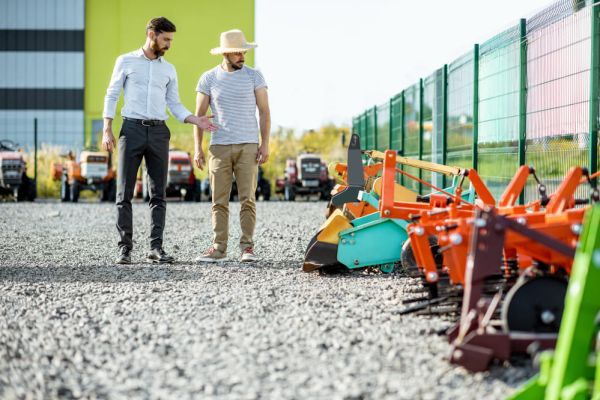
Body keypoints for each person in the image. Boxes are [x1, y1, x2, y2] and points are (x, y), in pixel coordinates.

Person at [102, 17, 217, 265]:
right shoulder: (126, 61)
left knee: (158, 194)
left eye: (171, 40)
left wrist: (194, 120)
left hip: (158, 132)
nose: (169, 44)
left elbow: (174, 104)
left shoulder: (169, 69)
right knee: (124, 192)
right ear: (152, 34)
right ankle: (125, 249)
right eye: (166, 39)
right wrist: (107, 128)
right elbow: (112, 94)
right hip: (130, 129)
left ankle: (156, 248)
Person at [193, 29, 271, 263]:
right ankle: (219, 249)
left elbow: (265, 112)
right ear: (225, 54)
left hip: (248, 145)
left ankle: (247, 248)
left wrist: (264, 144)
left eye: (243, 51)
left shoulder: (254, 76)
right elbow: (199, 116)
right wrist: (197, 148)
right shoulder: (208, 78)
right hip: (219, 147)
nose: (242, 56)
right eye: (236, 52)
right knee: (219, 200)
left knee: (248, 199)